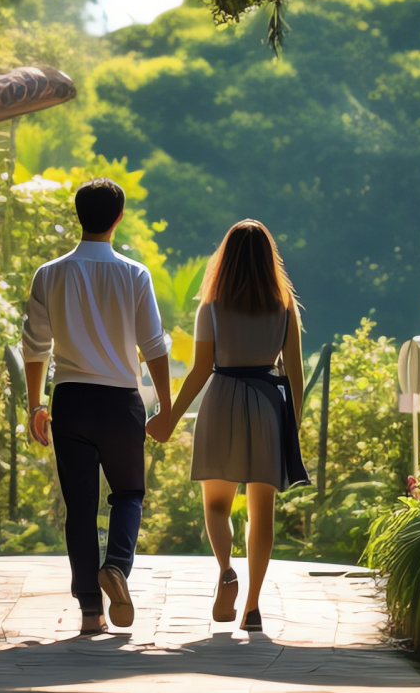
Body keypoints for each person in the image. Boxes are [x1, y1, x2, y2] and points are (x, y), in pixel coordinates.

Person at [21, 178, 171, 635]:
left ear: (78, 214)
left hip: (70, 399)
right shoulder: (134, 274)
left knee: (80, 507)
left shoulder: (50, 273)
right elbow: (154, 347)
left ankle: (91, 612)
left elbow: (34, 347)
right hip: (120, 401)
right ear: (119, 217)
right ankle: (117, 568)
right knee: (128, 494)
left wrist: (35, 406)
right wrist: (165, 406)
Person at [146, 219, 307, 632]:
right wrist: (293, 424)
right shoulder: (284, 307)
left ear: (225, 259)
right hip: (268, 405)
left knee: (217, 505)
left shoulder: (211, 307)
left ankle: (225, 570)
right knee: (262, 513)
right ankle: (252, 607)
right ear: (269, 260)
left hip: (221, 401)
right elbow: (295, 373)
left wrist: (169, 417)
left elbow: (200, 371)